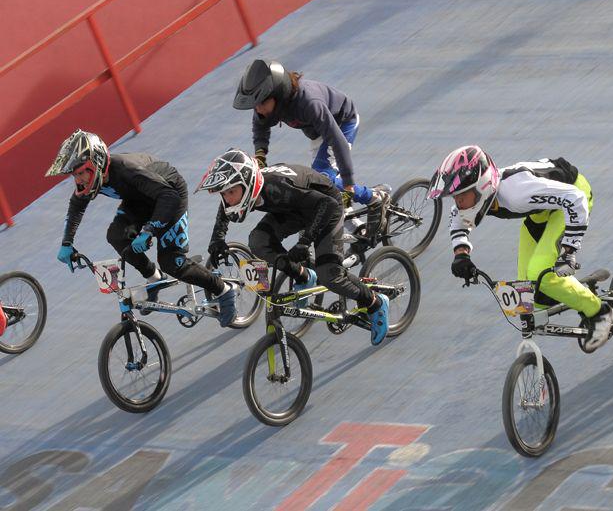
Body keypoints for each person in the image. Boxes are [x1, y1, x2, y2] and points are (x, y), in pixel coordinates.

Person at [428, 146, 613, 351]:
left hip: (572, 199)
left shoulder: (516, 193)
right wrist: (461, 254)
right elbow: (458, 221)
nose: (458, 202)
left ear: (481, 186)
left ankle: (599, 311)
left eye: (460, 196)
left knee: (541, 274)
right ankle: (567, 290)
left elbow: (575, 199)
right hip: (541, 212)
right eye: (455, 197)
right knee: (528, 289)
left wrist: (568, 252)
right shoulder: (480, 196)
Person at [196, 149, 389, 345]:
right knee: (258, 241)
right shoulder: (246, 188)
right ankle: (303, 275)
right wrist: (217, 237)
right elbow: (225, 207)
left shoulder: (277, 187)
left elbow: (328, 205)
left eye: (231, 192)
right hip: (293, 209)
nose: (228, 199)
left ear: (247, 184)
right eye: (224, 193)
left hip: (325, 208)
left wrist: (305, 242)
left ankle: (375, 303)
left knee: (331, 275)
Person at [46, 129, 237, 326]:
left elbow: (169, 197)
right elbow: (76, 205)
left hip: (169, 194)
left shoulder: (126, 170)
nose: (78, 180)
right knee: (116, 236)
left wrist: (149, 230)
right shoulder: (93, 178)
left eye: (80, 173)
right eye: (74, 175)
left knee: (172, 262)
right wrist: (67, 242)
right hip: (140, 200)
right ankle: (154, 278)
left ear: (98, 162)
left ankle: (223, 289)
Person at [232, 59, 388, 240]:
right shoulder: (268, 105)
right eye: (255, 105)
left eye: (261, 104)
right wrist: (260, 154)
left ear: (278, 95)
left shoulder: (309, 102)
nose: (258, 110)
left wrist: (348, 180)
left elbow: (337, 141)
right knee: (322, 186)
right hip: (318, 133)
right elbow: (260, 126)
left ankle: (374, 197)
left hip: (341, 125)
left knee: (323, 180)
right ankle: (354, 224)